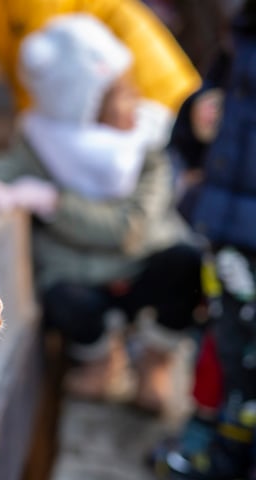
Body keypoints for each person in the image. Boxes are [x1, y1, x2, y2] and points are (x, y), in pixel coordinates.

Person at [0, 14, 203, 413]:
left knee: (187, 265)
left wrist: (55, 204)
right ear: (84, 106)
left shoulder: (146, 146)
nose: (136, 100)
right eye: (121, 95)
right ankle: (102, 359)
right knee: (63, 298)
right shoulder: (43, 145)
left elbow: (129, 229)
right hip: (82, 279)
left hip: (143, 264)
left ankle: (154, 361)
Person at [151, 1, 256, 477]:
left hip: (238, 224)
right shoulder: (241, 35)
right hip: (229, 230)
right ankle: (217, 450)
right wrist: (197, 119)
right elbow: (205, 115)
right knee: (226, 345)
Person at [0, 0, 201, 149]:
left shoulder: (22, 7)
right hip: (127, 96)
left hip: (147, 96)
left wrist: (30, 145)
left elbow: (42, 77)